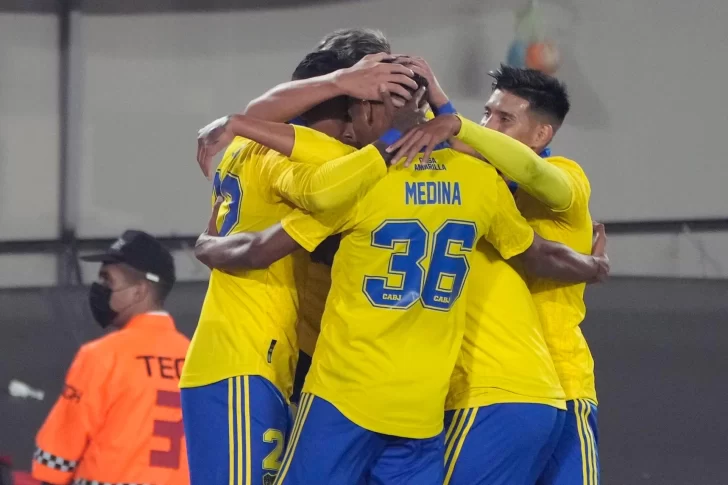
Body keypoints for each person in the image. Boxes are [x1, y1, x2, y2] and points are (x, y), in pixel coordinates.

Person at [195, 66, 607, 483]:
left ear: (370, 112)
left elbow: (262, 247)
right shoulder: (479, 180)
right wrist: (593, 266)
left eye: (352, 113)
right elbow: (536, 253)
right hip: (423, 409)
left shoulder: (360, 180)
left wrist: (205, 243)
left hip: (348, 392)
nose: (349, 130)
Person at [181, 49, 419, 485]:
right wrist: (395, 138)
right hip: (244, 359)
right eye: (348, 114)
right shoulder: (289, 159)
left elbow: (258, 116)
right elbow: (321, 192)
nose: (351, 131)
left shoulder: (246, 145)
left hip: (254, 357)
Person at [389, 63, 602, 484]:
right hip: (507, 384)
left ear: (541, 134)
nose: (488, 125)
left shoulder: (567, 178)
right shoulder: (485, 182)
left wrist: (459, 125)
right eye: (486, 113)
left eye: (505, 118)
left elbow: (533, 171)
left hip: (564, 384)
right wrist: (438, 99)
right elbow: (460, 145)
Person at [32, 230, 189, 485]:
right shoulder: (196, 359)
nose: (100, 289)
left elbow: (55, 459)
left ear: (139, 291)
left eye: (108, 280)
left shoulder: (102, 356)